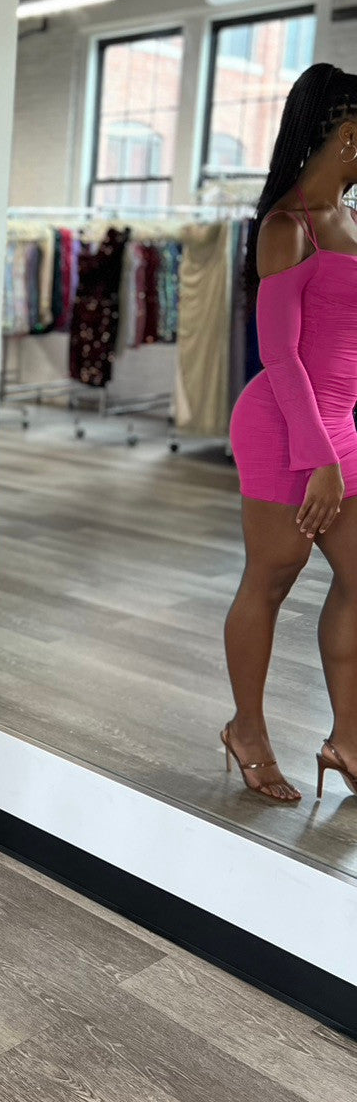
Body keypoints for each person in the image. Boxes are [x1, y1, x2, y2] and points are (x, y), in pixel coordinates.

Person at [224, 62, 357, 804]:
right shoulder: (288, 226)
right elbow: (278, 355)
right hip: (284, 425)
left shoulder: (350, 218)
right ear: (346, 135)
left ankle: (346, 740)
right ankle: (246, 728)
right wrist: (317, 457)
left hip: (338, 424)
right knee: (270, 580)